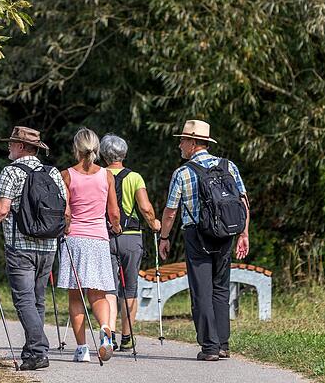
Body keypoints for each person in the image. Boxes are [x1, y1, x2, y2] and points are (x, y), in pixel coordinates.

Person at [0, 126, 66, 371]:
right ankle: (33, 350)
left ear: (21, 147)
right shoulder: (53, 172)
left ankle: (38, 349)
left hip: (20, 246)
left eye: (12, 144)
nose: (8, 147)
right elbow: (65, 211)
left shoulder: (10, 172)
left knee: (24, 300)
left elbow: (2, 209)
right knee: (37, 300)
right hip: (48, 246)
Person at [158, 120, 250, 361]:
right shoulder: (228, 166)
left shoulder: (183, 172)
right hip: (226, 234)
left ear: (193, 143)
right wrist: (244, 233)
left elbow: (170, 211)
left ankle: (209, 347)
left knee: (201, 291)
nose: (180, 144)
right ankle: (223, 344)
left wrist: (164, 237)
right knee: (220, 288)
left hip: (197, 235)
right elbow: (243, 202)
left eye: (182, 140)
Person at [58, 128, 121, 363]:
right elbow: (113, 212)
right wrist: (115, 227)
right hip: (98, 239)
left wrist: (65, 228)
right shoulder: (106, 176)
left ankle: (82, 349)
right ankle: (105, 331)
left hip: (75, 238)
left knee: (76, 296)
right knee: (99, 294)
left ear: (76, 148)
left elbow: (66, 212)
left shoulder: (67, 175)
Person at [100, 133, 162, 351]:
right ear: (124, 154)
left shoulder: (98, 175)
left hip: (104, 236)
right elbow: (144, 207)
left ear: (103, 154)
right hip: (131, 237)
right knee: (130, 288)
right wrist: (154, 222)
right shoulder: (134, 177)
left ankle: (110, 335)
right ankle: (128, 337)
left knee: (109, 288)